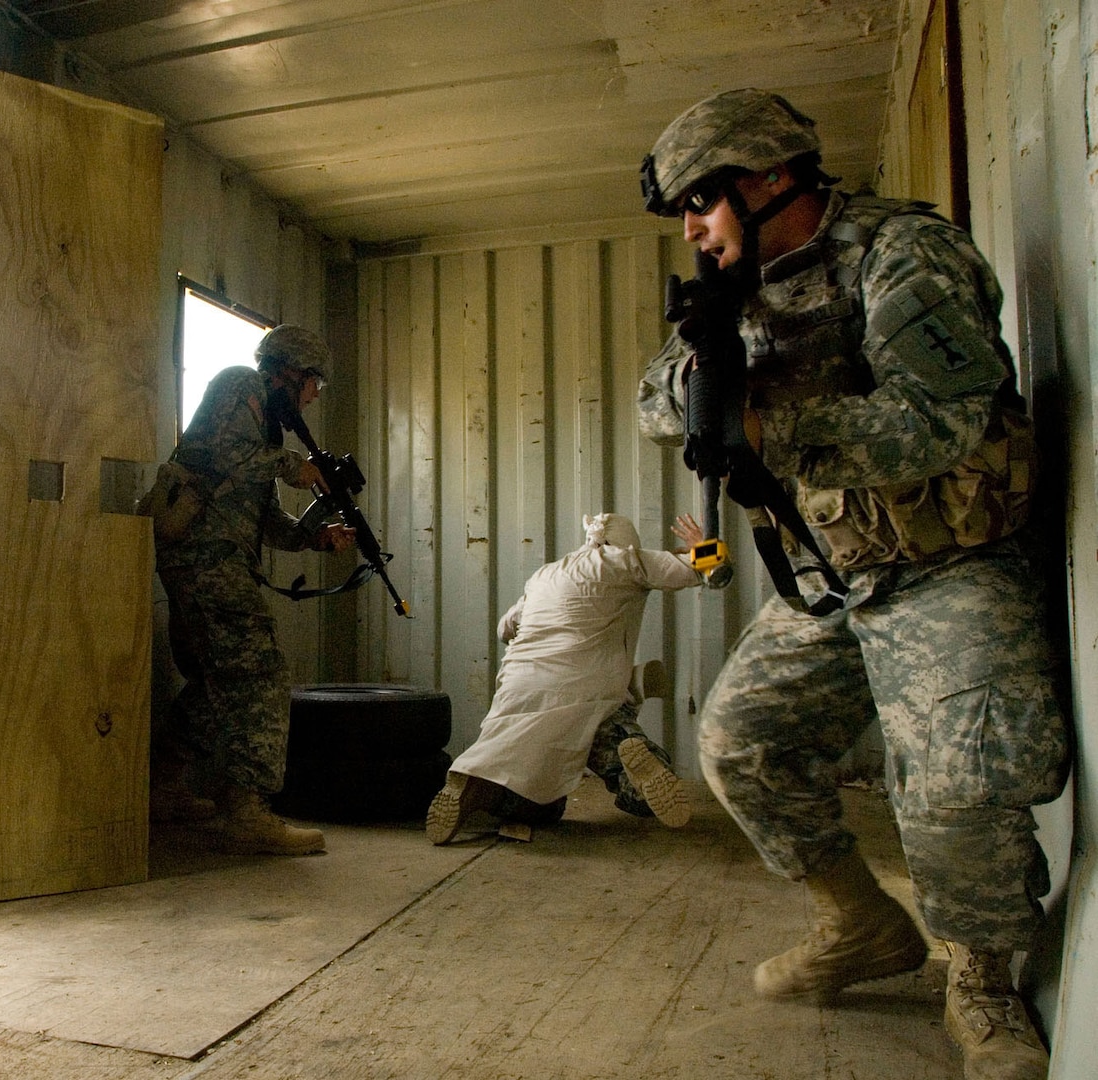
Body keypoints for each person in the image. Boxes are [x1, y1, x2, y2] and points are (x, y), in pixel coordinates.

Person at [638, 89, 1067, 1080]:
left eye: (701, 200)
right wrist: (710, 381)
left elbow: (947, 417)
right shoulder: (734, 287)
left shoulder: (900, 255)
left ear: (770, 177)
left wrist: (771, 423)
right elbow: (658, 397)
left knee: (959, 772)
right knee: (737, 739)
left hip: (950, 567)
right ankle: (859, 922)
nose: (694, 228)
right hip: (843, 577)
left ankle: (983, 981)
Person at [150, 325, 355, 855]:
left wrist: (312, 537)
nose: (313, 396)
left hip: (213, 561)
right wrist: (298, 468)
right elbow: (225, 457)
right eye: (314, 384)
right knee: (259, 671)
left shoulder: (266, 431)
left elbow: (263, 516)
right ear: (289, 371)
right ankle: (246, 810)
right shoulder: (238, 384)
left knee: (213, 680)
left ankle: (165, 788)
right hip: (204, 559)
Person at [424, 512, 706, 844]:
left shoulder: (545, 575)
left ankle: (475, 787)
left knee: (520, 782)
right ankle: (634, 769)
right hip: (586, 691)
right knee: (599, 747)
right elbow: (698, 570)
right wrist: (704, 546)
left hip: (518, 690)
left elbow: (505, 628)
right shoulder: (625, 561)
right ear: (627, 542)